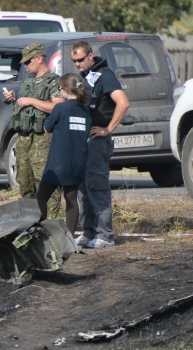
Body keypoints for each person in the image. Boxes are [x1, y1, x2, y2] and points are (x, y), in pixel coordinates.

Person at [71, 41, 130, 249]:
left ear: (90, 56)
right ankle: (89, 232)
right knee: (84, 188)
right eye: (74, 61)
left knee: (97, 186)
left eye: (80, 59)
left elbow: (123, 102)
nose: (77, 64)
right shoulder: (85, 77)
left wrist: (108, 129)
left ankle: (105, 235)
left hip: (98, 139)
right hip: (84, 140)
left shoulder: (105, 75)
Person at [3, 42, 65, 219]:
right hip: (24, 139)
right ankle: (32, 222)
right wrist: (15, 99)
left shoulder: (53, 80)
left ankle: (54, 226)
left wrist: (30, 101)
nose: (25, 65)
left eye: (28, 62)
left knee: (46, 183)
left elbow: (58, 107)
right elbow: (26, 106)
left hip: (43, 139)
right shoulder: (28, 82)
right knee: (25, 182)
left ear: (39, 59)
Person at [36, 73, 91, 232]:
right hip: (78, 161)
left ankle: (39, 231)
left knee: (41, 197)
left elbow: (47, 127)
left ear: (66, 90)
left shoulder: (60, 108)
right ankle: (69, 238)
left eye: (60, 88)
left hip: (58, 162)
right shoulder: (85, 110)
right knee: (71, 199)